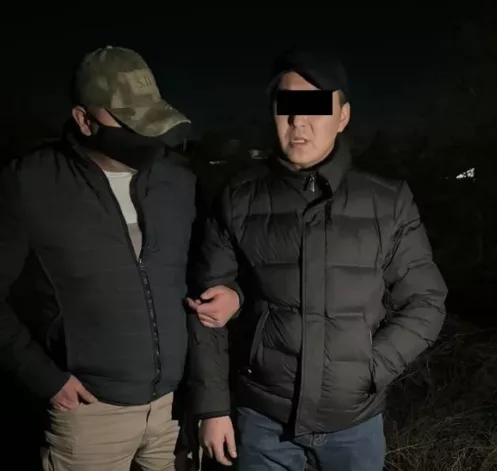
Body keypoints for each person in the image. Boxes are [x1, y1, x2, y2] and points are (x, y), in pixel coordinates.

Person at [186, 46, 448, 470]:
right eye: (286, 106)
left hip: (355, 426)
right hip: (262, 421)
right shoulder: (236, 200)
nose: (298, 121)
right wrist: (212, 407)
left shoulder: (388, 202)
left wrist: (371, 369)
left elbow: (426, 302)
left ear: (342, 117)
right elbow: (207, 311)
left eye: (315, 107)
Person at [0, 45, 200, 471]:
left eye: (149, 117)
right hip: (89, 417)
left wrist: (230, 293)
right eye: (128, 121)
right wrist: (43, 376)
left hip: (171, 411)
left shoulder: (178, 180)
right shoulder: (30, 183)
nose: (144, 133)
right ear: (84, 120)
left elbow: (203, 271)